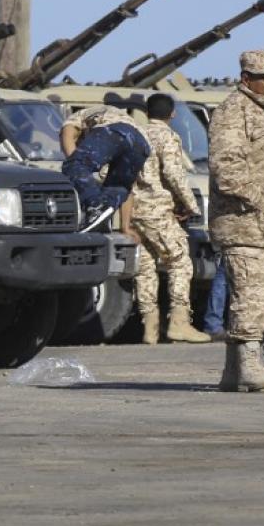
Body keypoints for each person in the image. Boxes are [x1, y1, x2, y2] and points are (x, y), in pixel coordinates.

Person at [208, 49, 264, 392]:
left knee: (255, 295)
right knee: (253, 296)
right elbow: (227, 169)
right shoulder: (235, 111)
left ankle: (234, 372)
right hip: (244, 223)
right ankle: (248, 366)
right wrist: (261, 197)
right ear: (247, 79)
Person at [132, 94, 210, 344]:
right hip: (158, 209)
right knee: (180, 262)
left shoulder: (136, 134)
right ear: (172, 114)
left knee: (145, 268)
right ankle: (179, 321)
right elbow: (174, 174)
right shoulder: (167, 136)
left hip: (134, 209)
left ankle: (150, 326)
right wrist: (190, 204)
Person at [59, 103, 152, 231]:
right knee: (118, 186)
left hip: (114, 131)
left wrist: (75, 163)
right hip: (142, 143)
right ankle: (100, 219)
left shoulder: (78, 117)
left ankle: (95, 206)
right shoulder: (110, 115)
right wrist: (125, 227)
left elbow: (67, 135)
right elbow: (127, 191)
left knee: (73, 165)